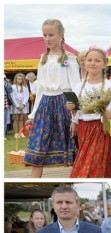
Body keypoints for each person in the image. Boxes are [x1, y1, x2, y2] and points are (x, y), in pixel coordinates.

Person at [24, 19, 81, 178]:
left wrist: (75, 116)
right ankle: (34, 184)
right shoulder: (43, 58)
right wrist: (32, 115)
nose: (47, 38)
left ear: (61, 35)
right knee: (38, 148)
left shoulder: (69, 58)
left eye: (51, 34)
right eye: (44, 35)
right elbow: (41, 89)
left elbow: (75, 87)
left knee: (71, 147)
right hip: (45, 105)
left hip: (64, 104)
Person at [65, 47, 111, 178]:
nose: (92, 63)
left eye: (97, 60)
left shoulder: (109, 86)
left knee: (95, 164)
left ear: (104, 64)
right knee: (84, 162)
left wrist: (109, 114)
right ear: (84, 63)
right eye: (89, 60)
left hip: (101, 129)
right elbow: (77, 113)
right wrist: (72, 110)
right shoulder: (79, 86)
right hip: (84, 129)